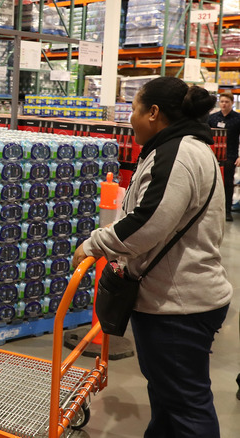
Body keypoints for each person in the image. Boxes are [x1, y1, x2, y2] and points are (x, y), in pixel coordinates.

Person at [72, 77, 232, 438]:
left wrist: (95, 244)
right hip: (178, 299)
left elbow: (147, 223)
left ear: (154, 113)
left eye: (133, 109)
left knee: (187, 405)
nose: (130, 118)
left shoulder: (178, 153)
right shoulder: (180, 148)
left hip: (179, 306)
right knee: (168, 395)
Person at [207, 91, 240, 221]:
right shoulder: (212, 118)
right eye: (222, 101)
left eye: (227, 102)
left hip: (230, 156)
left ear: (232, 103)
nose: (224, 104)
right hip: (213, 156)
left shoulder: (238, 119)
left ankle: (227, 211)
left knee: (228, 183)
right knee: (212, 183)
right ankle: (212, 210)